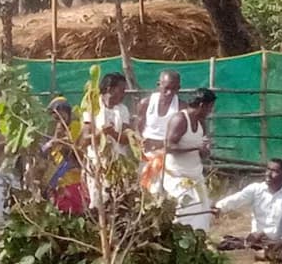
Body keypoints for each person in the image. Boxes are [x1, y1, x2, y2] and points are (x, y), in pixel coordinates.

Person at [162, 88, 216, 232]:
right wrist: (195, 147)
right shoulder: (180, 119)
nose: (210, 111)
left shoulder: (201, 123)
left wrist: (204, 150)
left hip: (195, 176)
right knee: (188, 210)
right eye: (210, 107)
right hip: (177, 176)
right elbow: (168, 147)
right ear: (202, 105)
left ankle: (199, 241)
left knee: (204, 211)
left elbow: (202, 153)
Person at [214, 159, 282, 240]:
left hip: (280, 242)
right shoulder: (256, 189)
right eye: (268, 169)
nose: (268, 174)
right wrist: (219, 207)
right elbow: (237, 199)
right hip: (255, 241)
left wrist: (266, 234)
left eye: (275, 171)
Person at [82, 73, 132, 207]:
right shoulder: (93, 107)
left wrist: (113, 134)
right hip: (98, 163)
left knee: (118, 201)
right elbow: (85, 139)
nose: (124, 94)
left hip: (118, 163)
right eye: (121, 90)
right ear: (110, 89)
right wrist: (101, 134)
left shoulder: (123, 110)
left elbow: (127, 138)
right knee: (99, 201)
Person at [137, 71, 181, 194]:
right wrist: (140, 143)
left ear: (179, 88)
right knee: (144, 189)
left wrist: (160, 144)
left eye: (174, 89)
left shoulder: (181, 107)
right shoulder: (146, 103)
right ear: (158, 85)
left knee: (164, 191)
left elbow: (180, 135)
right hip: (146, 153)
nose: (170, 92)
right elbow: (138, 128)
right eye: (166, 88)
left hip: (168, 153)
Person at [41, 97, 86, 215]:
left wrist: (60, 140)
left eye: (60, 114)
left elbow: (72, 151)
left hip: (72, 178)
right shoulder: (55, 129)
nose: (58, 119)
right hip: (57, 179)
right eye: (55, 116)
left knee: (73, 211)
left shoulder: (75, 126)